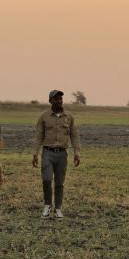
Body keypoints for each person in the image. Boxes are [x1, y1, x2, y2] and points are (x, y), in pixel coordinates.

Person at [32, 90, 81, 219]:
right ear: (50, 101)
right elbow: (38, 136)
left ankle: (58, 208)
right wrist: (35, 153)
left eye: (60, 99)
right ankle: (47, 206)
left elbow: (74, 136)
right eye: (56, 99)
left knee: (59, 183)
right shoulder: (44, 117)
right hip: (48, 152)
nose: (59, 101)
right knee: (47, 179)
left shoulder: (69, 117)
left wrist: (77, 152)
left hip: (62, 154)